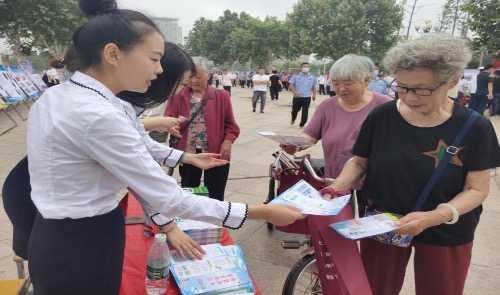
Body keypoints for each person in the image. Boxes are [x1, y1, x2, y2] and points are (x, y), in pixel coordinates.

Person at [25, 1, 304, 294]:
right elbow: (169, 198)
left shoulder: (67, 97)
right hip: (81, 241)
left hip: (61, 232)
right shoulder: (96, 114)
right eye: (154, 58)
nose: (159, 70)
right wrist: (262, 212)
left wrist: (186, 158)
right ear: (112, 54)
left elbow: (139, 150)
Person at [322, 34, 500, 295]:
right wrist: (336, 187)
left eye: (421, 89)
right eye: (402, 87)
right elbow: (360, 161)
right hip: (383, 224)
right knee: (374, 288)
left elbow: (477, 189)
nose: (409, 97)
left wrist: (436, 216)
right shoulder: (382, 115)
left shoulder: (475, 127)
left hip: (446, 229)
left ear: (452, 80)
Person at [281, 54, 390, 179]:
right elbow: (310, 136)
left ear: (366, 81)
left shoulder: (385, 107)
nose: (341, 89)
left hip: (372, 184)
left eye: (348, 83)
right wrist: (296, 145)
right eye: (336, 83)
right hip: (333, 181)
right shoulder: (327, 106)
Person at [165, 65, 238, 201]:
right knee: (190, 189)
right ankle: (192, 220)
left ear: (208, 75)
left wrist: (228, 141)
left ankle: (214, 218)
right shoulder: (177, 96)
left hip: (216, 150)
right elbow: (168, 119)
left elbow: (231, 125)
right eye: (190, 77)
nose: (193, 80)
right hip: (188, 152)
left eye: (197, 77)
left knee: (216, 190)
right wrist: (171, 127)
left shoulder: (221, 96)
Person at [289, 62, 317, 127]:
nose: (306, 68)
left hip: (307, 97)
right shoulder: (296, 76)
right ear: (301, 68)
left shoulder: (312, 77)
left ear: (309, 68)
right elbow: (291, 85)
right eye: (304, 66)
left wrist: (314, 95)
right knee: (294, 110)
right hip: (297, 97)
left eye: (307, 67)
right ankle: (293, 119)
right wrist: (295, 92)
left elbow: (314, 86)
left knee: (305, 111)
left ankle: (302, 123)